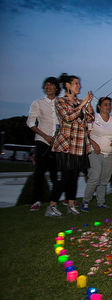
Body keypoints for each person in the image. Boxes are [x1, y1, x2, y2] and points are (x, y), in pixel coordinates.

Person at [48, 73, 94, 216]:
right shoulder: (60, 101)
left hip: (79, 146)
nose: (79, 86)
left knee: (74, 177)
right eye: (76, 83)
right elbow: (67, 118)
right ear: (67, 85)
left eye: (79, 84)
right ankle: (52, 206)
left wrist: (88, 103)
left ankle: (71, 205)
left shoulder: (80, 102)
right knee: (65, 177)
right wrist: (81, 104)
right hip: (66, 145)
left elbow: (90, 118)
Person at [26, 77, 62, 212]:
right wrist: (45, 136)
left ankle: (53, 202)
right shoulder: (38, 103)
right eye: (46, 85)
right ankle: (36, 201)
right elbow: (30, 123)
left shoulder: (61, 103)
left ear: (56, 88)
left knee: (55, 174)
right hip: (42, 141)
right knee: (39, 172)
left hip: (57, 144)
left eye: (51, 85)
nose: (48, 87)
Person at [81, 97, 112, 212]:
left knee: (104, 179)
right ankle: (86, 201)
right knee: (95, 176)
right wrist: (94, 144)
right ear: (99, 106)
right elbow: (85, 134)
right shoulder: (94, 118)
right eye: (105, 104)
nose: (108, 107)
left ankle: (101, 202)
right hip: (95, 152)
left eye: (109, 104)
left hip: (110, 154)